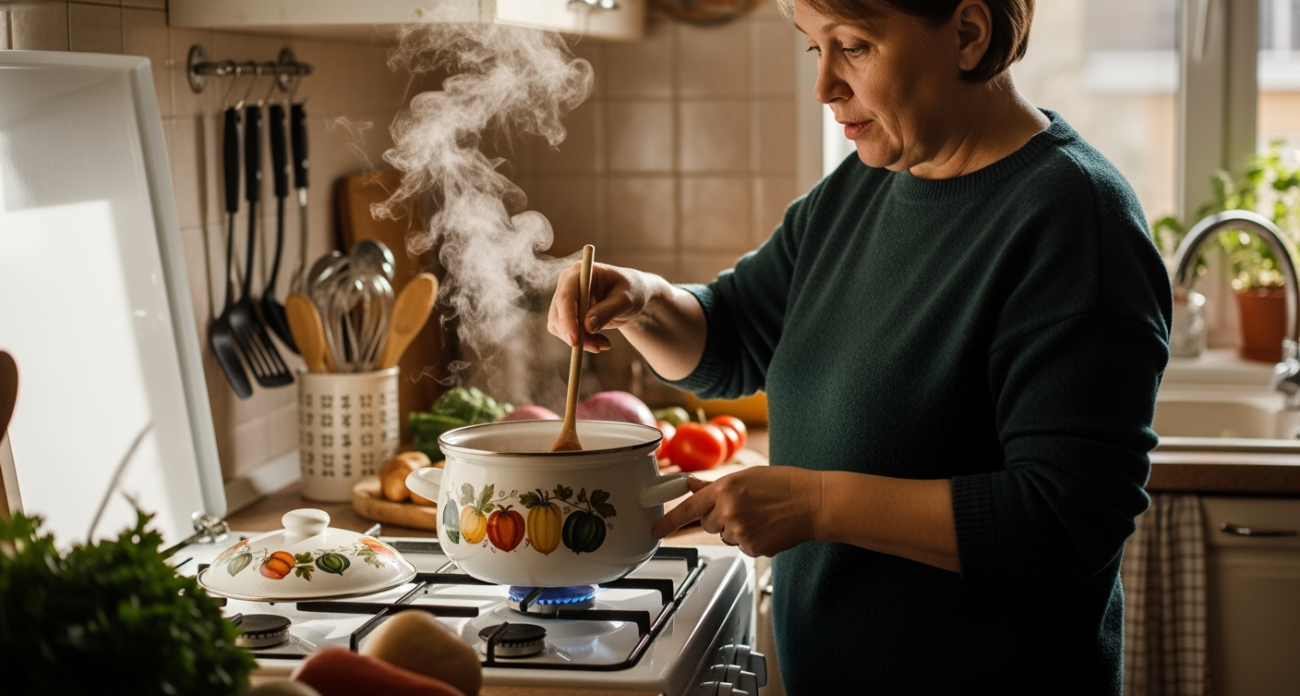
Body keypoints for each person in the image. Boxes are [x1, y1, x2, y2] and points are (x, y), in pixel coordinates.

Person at [548, 0, 1171, 692]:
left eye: (854, 46)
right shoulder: (865, 184)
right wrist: (642, 298)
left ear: (967, 34)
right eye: (816, 48)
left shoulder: (1073, 219)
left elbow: (1063, 518)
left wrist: (815, 505)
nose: (825, 87)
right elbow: (732, 337)